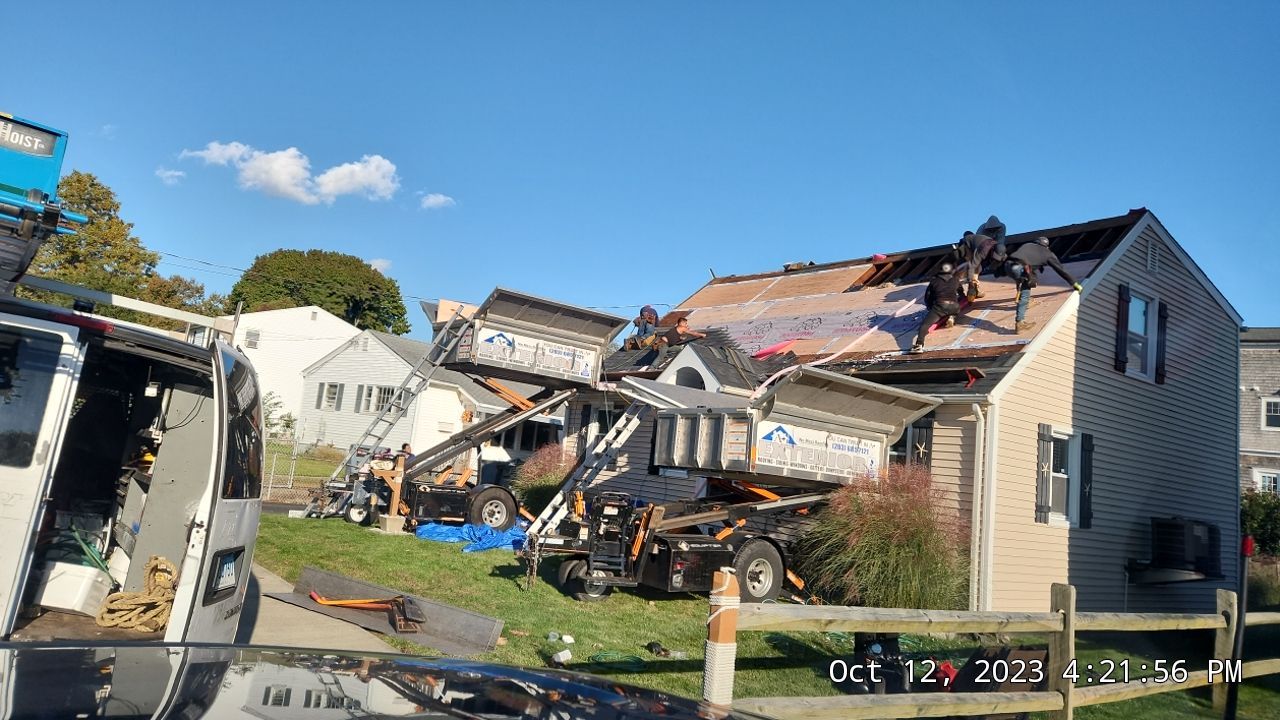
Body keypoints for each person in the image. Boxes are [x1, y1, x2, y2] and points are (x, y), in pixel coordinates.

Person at [1006, 237, 1084, 333]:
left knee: (1024, 279)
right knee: (1025, 293)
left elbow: (1020, 257)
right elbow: (1061, 270)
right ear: (1046, 246)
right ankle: (1020, 323)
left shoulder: (1027, 245)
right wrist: (1074, 283)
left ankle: (1020, 291)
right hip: (1021, 269)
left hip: (1008, 266)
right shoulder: (1048, 254)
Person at [909, 263, 965, 354]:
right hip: (954, 306)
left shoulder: (934, 281)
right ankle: (952, 316)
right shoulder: (956, 280)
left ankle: (919, 345)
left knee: (924, 325)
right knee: (955, 309)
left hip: (940, 306)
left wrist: (931, 308)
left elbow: (928, 298)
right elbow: (962, 294)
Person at [958, 230, 999, 300]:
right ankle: (971, 290)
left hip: (971, 251)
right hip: (967, 250)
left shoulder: (977, 243)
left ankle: (972, 291)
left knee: (975, 268)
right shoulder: (974, 241)